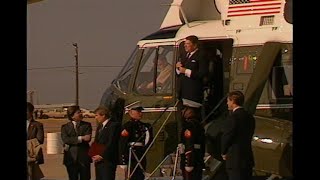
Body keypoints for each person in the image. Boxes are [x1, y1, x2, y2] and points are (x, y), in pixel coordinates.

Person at [221, 91, 256, 180]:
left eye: (228, 101)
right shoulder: (250, 117)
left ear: (233, 101)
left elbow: (227, 136)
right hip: (247, 158)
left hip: (235, 159)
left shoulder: (233, 118)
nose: (227, 103)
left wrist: (223, 151)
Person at [176, 35, 209, 119]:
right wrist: (178, 68)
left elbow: (202, 73)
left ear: (194, 45)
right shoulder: (184, 56)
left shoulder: (201, 55)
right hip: (183, 93)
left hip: (193, 94)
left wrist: (186, 71)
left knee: (193, 117)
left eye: (188, 43)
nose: (185, 45)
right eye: (185, 44)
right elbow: (180, 73)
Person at [118, 101, 153, 180]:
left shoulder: (144, 126)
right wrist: (123, 160)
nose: (140, 113)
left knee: (140, 176)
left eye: (141, 111)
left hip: (141, 154)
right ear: (130, 112)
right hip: (131, 155)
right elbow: (122, 143)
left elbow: (149, 140)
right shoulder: (127, 126)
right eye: (138, 111)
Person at [61, 105, 92, 180]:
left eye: (80, 112)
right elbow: (65, 139)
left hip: (84, 158)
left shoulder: (87, 125)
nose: (81, 114)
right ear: (72, 116)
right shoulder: (65, 127)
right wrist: (81, 138)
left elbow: (88, 138)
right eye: (78, 112)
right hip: (71, 159)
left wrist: (72, 140)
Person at [91, 106, 121, 180]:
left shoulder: (113, 126)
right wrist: (94, 154)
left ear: (103, 115)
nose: (96, 118)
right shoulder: (100, 127)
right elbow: (96, 141)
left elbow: (111, 142)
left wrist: (101, 155)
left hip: (108, 160)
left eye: (97, 115)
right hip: (99, 162)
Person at [178, 105, 206, 180]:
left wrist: (188, 162)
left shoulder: (188, 126)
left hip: (191, 160)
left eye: (184, 110)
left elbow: (189, 143)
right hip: (198, 159)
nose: (182, 112)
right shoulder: (199, 125)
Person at [27, 102, 45, 180]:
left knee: (31, 175)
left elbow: (40, 140)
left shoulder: (38, 125)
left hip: (31, 155)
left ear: (30, 112)